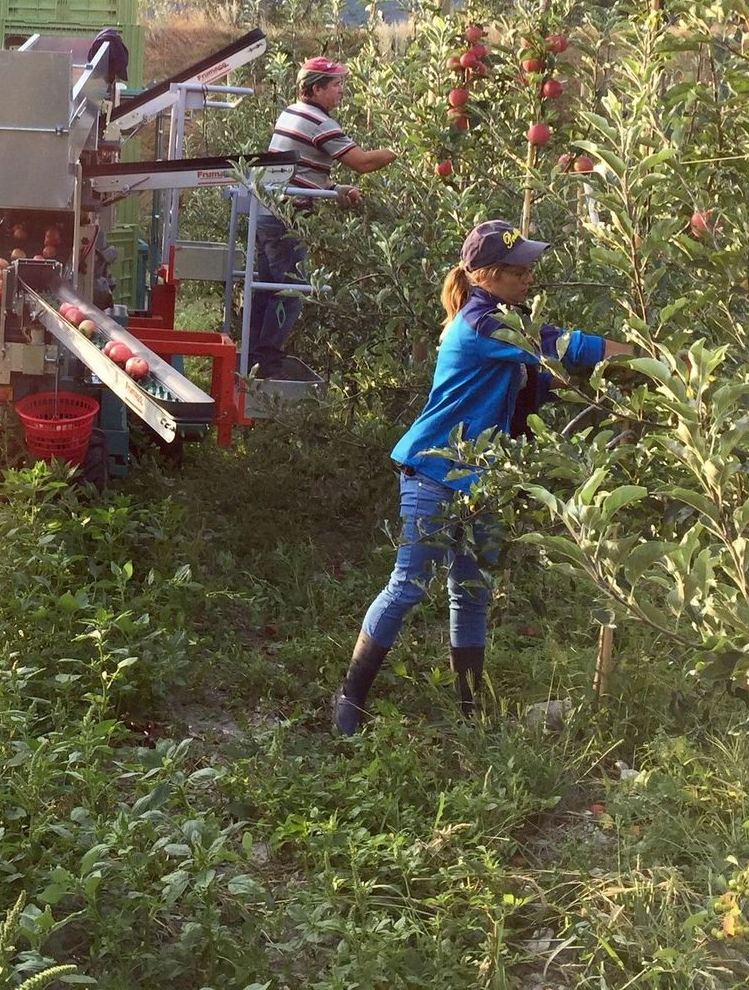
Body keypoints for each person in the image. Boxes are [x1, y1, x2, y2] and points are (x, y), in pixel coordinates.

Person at [330, 221, 635, 734]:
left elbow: (538, 383)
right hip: (434, 472)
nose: (529, 279)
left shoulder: (500, 320)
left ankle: (469, 713)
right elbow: (563, 346)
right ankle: (349, 697)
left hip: (485, 477)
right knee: (407, 586)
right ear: (489, 275)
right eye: (519, 272)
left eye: (529, 269)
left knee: (470, 591)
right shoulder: (482, 323)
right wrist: (637, 355)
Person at [246, 56, 396, 376]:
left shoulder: (291, 113)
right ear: (316, 89)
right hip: (287, 218)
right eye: (336, 85)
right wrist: (399, 151)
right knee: (291, 291)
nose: (341, 91)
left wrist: (336, 188)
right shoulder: (320, 123)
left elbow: (301, 170)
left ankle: (250, 356)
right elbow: (364, 163)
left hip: (266, 210)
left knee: (266, 286)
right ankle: (267, 360)